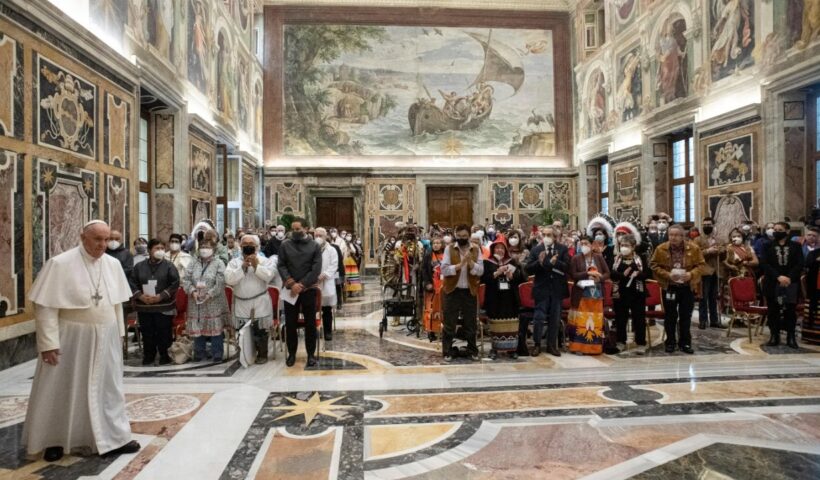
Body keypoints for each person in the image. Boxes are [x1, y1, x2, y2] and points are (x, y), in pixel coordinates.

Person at [24, 220, 140, 462]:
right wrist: (48, 343)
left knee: (108, 389)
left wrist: (118, 335)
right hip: (71, 339)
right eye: (97, 239)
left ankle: (115, 437)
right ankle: (54, 440)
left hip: (105, 336)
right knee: (63, 388)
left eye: (106, 239)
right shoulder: (60, 264)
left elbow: (117, 304)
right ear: (82, 236)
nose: (103, 245)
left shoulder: (113, 264)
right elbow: (45, 306)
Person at [651, 224, 705, 354]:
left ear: (682, 236)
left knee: (685, 316)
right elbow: (653, 265)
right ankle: (670, 342)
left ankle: (685, 343)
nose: (673, 238)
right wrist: (668, 275)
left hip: (687, 287)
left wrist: (690, 274)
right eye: (671, 235)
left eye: (676, 235)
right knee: (670, 316)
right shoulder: (661, 249)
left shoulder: (693, 248)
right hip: (669, 287)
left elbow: (701, 265)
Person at [224, 234, 277, 364]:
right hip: (241, 301)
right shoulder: (234, 262)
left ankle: (262, 354)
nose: (248, 247)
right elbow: (229, 279)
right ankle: (244, 354)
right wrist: (242, 267)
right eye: (245, 244)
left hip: (259, 301)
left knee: (260, 330)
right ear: (241, 247)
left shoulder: (264, 260)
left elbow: (269, 276)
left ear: (257, 247)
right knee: (242, 330)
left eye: (251, 245)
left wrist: (257, 266)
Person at [277, 218, 322, 367]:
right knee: (290, 323)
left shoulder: (314, 246)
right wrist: (291, 283)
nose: (295, 232)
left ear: (306, 228)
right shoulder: (285, 245)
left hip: (308, 289)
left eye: (298, 229)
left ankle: (310, 354)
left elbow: (316, 268)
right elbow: (281, 265)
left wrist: (301, 284)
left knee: (310, 324)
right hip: (291, 290)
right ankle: (292, 354)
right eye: (293, 229)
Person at [129, 238, 179, 366]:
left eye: (162, 248)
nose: (160, 251)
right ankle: (148, 355)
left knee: (163, 332)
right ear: (150, 250)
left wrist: (160, 296)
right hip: (144, 305)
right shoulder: (139, 266)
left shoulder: (169, 266)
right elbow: (132, 283)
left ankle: (164, 355)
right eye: (157, 248)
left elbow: (174, 283)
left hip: (163, 305)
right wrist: (140, 296)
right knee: (147, 332)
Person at [440, 224, 484, 362]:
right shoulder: (449, 249)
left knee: (470, 323)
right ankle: (447, 351)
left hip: (469, 291)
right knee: (449, 323)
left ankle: (472, 350)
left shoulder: (476, 249)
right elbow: (444, 270)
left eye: (464, 237)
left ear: (469, 236)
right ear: (455, 236)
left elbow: (480, 271)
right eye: (459, 237)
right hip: (452, 290)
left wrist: (470, 263)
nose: (462, 239)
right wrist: (460, 265)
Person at [524, 226, 570, 357]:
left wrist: (556, 262)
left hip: (557, 288)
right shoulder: (536, 249)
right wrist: (539, 262)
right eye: (544, 234)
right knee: (538, 317)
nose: (546, 237)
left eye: (549, 235)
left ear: (555, 237)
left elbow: (567, 267)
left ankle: (552, 345)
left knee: (555, 318)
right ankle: (537, 344)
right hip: (541, 289)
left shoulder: (562, 249)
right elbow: (528, 268)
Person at [182, 237, 229, 362]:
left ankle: (217, 352)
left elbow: (221, 281)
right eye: (202, 247)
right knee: (198, 325)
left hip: (213, 301)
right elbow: (186, 279)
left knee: (215, 327)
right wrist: (192, 291)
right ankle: (199, 352)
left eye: (207, 247)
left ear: (213, 249)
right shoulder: (193, 262)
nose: (204, 250)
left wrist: (210, 293)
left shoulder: (219, 263)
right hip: (195, 300)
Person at [761, 222, 804, 348]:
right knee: (773, 309)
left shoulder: (796, 246)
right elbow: (764, 263)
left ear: (787, 231)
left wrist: (789, 277)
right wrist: (778, 277)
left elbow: (799, 263)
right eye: (775, 229)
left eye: (780, 229)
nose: (776, 231)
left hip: (791, 282)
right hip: (773, 282)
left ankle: (791, 337)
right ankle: (774, 335)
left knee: (790, 310)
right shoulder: (767, 245)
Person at [482, 238, 524, 359]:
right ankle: (495, 348)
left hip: (510, 296)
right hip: (494, 297)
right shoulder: (487, 262)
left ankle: (512, 349)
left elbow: (520, 278)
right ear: (493, 249)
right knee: (496, 322)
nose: (499, 250)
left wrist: (511, 276)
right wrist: (496, 273)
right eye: (497, 248)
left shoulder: (512, 262)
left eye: (502, 248)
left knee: (511, 322)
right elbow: (484, 279)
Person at [568, 235, 610, 355]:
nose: (584, 246)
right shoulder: (576, 258)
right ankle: (579, 347)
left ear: (592, 245)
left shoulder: (598, 257)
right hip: (581, 293)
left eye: (586, 243)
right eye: (582, 244)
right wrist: (587, 273)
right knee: (581, 320)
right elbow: (573, 275)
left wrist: (599, 277)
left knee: (595, 320)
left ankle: (594, 347)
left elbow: (607, 273)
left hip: (596, 293)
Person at [610, 232, 650, 354]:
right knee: (621, 318)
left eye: (626, 245)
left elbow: (648, 274)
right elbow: (611, 274)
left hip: (637, 292)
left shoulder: (640, 259)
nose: (624, 247)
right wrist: (622, 275)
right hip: (620, 292)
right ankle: (621, 341)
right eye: (622, 245)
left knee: (639, 318)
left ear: (633, 247)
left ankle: (640, 343)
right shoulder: (616, 258)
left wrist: (638, 274)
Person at [695, 217, 724, 329]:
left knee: (714, 297)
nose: (706, 226)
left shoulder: (719, 239)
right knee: (703, 297)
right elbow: (695, 254)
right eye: (704, 224)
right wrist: (708, 251)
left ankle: (714, 320)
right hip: (704, 271)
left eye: (709, 224)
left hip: (716, 271)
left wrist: (720, 250)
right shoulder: (697, 239)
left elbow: (724, 252)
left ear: (713, 225)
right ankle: (703, 320)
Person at [314, 228, 338, 342]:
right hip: (313, 282)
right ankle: (315, 330)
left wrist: (325, 274)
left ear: (325, 236)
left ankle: (328, 331)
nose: (318, 237)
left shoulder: (331, 250)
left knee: (327, 309)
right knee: (313, 309)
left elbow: (334, 265)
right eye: (316, 235)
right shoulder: (311, 249)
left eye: (321, 235)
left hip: (326, 282)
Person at [343, 233, 363, 298]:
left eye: (350, 236)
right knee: (346, 276)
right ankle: (346, 291)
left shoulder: (351, 244)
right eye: (348, 236)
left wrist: (351, 251)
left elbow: (354, 251)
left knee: (352, 276)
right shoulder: (342, 243)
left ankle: (351, 291)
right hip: (345, 260)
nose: (349, 237)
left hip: (351, 260)